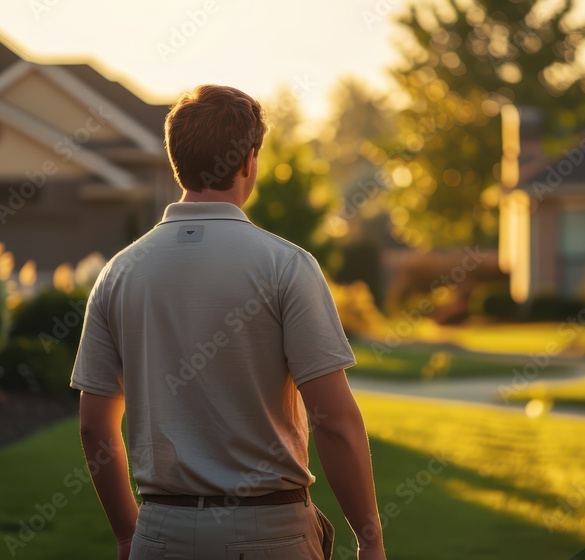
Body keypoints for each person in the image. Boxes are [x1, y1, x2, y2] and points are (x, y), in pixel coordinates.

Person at [70, 84, 386, 560]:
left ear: (176, 158)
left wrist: (126, 534)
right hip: (271, 532)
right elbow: (335, 422)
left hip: (160, 533)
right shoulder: (286, 266)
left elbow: (95, 427)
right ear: (249, 160)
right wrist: (371, 540)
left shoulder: (118, 274)